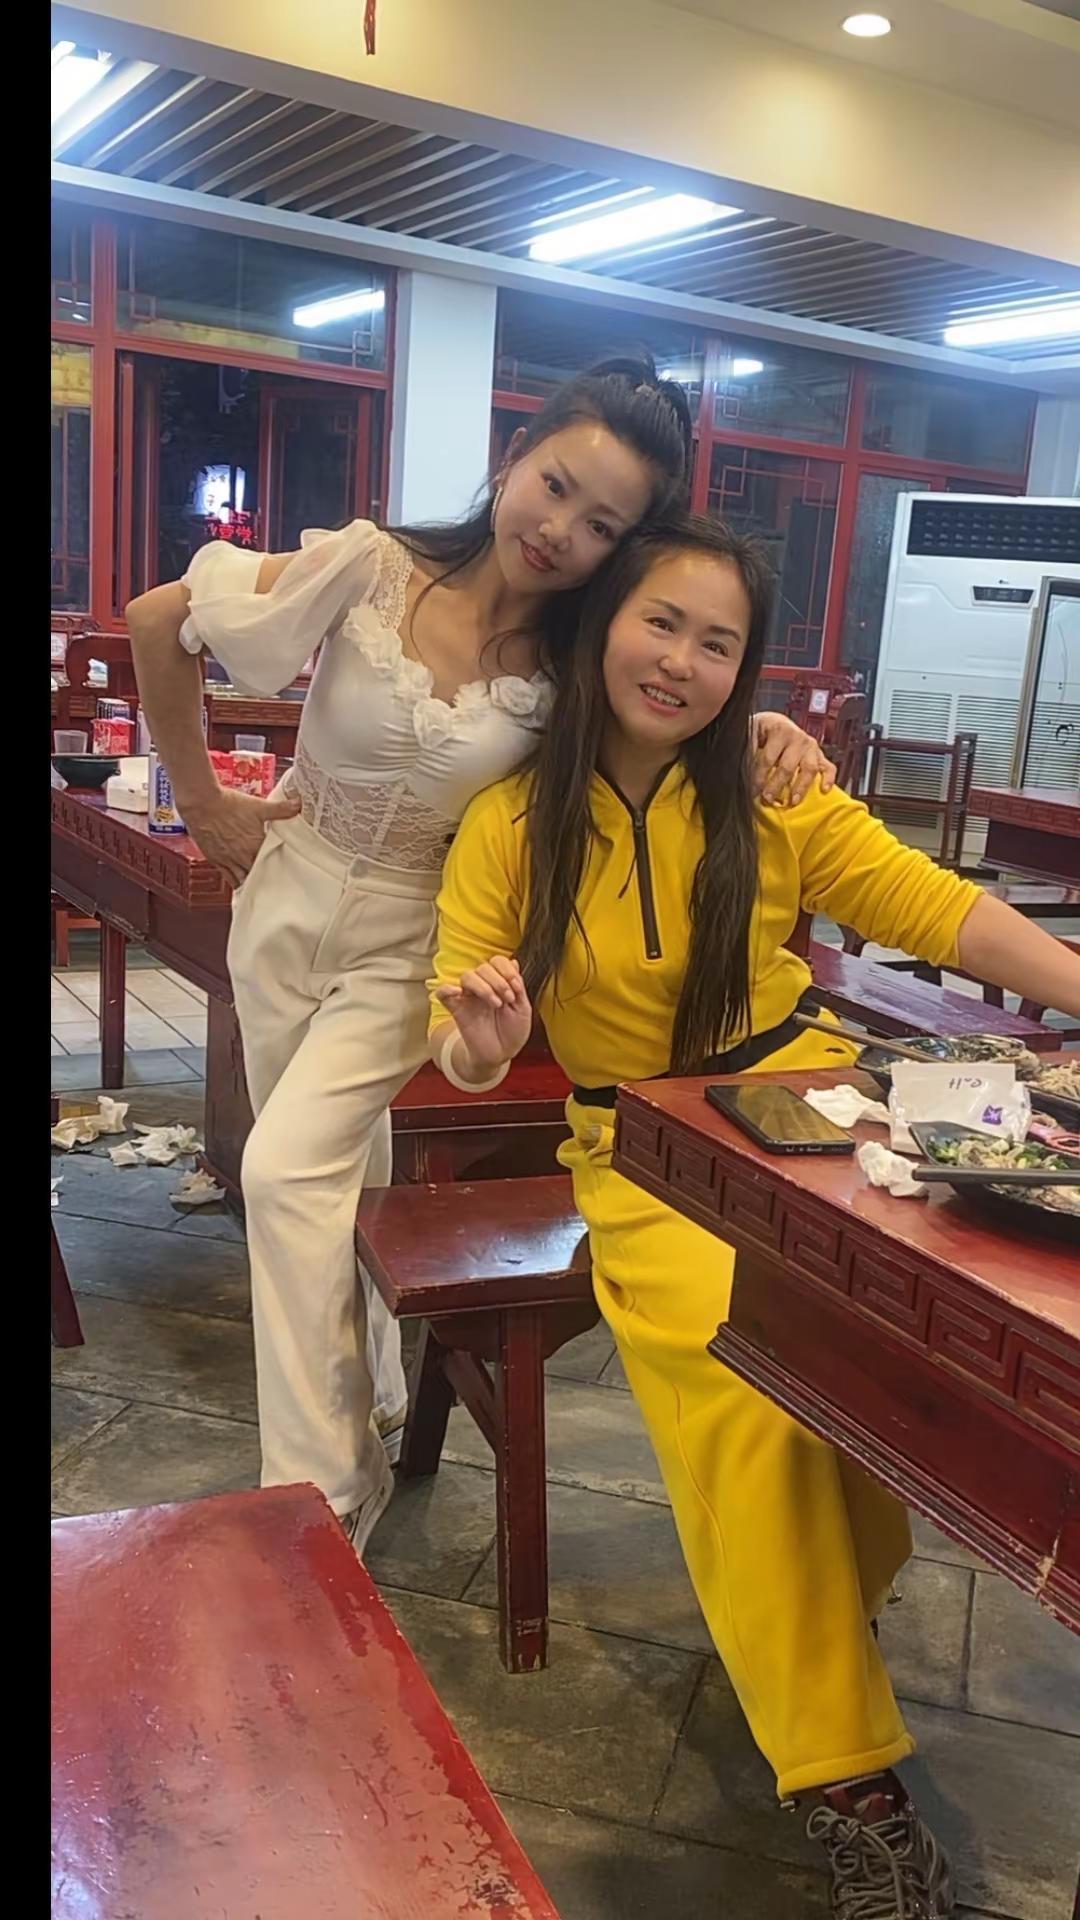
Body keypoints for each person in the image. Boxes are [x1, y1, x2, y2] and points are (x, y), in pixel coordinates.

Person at [428, 509, 1080, 1917]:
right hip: (644, 1148)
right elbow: (463, 1027)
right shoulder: (510, 825)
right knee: (751, 1389)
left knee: (908, 1355)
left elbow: (936, 909)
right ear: (603, 625)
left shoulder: (773, 795)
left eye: (719, 643)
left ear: (747, 671)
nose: (682, 661)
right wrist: (483, 1042)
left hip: (813, 1108)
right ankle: (853, 1791)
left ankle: (805, 1624)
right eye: (661, 622)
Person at [125, 358, 832, 1555]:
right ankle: (377, 1393)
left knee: (282, 1171)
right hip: (283, 901)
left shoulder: (573, 663)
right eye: (555, 487)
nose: (562, 531)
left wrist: (764, 723)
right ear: (513, 459)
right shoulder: (367, 564)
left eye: (603, 525)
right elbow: (161, 621)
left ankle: (320, 1492)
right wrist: (203, 804)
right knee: (336, 1176)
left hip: (414, 940)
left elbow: (673, 710)